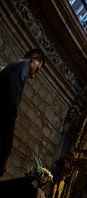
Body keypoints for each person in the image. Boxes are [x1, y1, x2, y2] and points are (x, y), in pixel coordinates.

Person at [0, 48, 46, 177]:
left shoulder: (11, 66)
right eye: (37, 70)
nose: (32, 76)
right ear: (35, 59)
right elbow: (10, 107)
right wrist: (5, 152)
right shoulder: (23, 67)